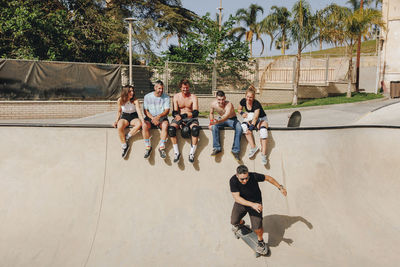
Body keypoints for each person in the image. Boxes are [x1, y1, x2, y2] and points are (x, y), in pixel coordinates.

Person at [230, 164, 287, 253]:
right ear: (237, 175)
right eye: (242, 179)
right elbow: (237, 198)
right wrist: (251, 204)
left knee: (257, 228)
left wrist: (280, 187)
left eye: (246, 178)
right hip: (242, 203)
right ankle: (240, 224)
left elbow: (268, 178)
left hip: (256, 204)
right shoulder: (233, 181)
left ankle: (261, 242)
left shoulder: (253, 176)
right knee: (234, 221)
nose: (245, 180)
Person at [168, 79, 200, 163]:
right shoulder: (176, 96)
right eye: (183, 88)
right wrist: (178, 117)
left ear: (189, 87)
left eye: (187, 88)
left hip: (190, 118)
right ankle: (176, 153)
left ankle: (192, 153)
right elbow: (174, 112)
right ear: (180, 87)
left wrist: (183, 116)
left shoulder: (193, 97)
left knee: (195, 129)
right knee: (171, 129)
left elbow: (195, 112)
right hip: (179, 118)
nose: (185, 89)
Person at [238, 85, 269, 165]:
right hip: (251, 119)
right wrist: (242, 113)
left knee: (263, 131)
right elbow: (239, 109)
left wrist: (251, 128)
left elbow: (255, 117)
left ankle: (264, 154)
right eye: (247, 97)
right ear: (245, 96)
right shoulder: (243, 101)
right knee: (243, 127)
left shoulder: (256, 104)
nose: (248, 99)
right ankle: (253, 147)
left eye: (251, 97)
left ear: (254, 97)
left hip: (261, 119)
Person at [208, 90, 242, 162]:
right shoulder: (213, 104)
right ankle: (217, 148)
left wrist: (218, 121)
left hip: (232, 119)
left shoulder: (229, 104)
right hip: (221, 119)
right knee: (214, 126)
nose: (221, 101)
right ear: (216, 98)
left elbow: (226, 116)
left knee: (239, 128)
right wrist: (211, 122)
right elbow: (211, 113)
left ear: (225, 98)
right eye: (219, 100)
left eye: (223, 99)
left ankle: (235, 150)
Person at [113, 85, 145, 158]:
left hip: (133, 116)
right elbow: (119, 111)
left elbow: (139, 111)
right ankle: (124, 146)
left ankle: (127, 136)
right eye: (130, 91)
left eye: (133, 91)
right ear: (125, 92)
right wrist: (116, 121)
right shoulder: (120, 100)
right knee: (119, 125)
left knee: (139, 123)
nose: (132, 93)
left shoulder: (135, 101)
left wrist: (143, 121)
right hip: (125, 116)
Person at [142, 80, 170, 159]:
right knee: (144, 125)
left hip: (161, 117)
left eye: (162, 89)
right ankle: (148, 147)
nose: (161, 90)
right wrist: (152, 118)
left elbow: (167, 110)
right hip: (150, 117)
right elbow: (145, 110)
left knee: (165, 125)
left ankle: (161, 147)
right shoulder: (147, 96)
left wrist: (158, 117)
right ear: (155, 88)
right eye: (159, 88)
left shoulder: (166, 97)